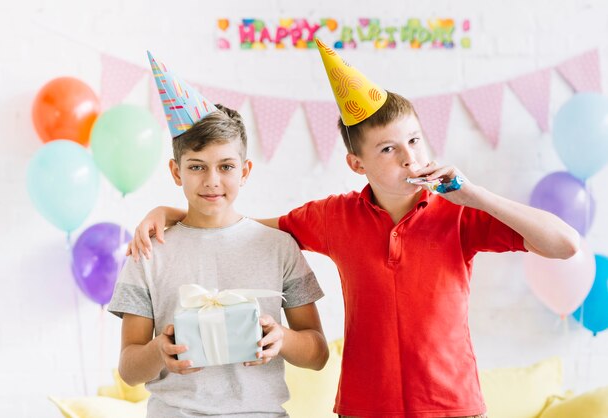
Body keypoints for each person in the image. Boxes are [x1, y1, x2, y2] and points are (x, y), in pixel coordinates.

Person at [127, 43, 580, 417]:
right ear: (356, 164)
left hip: (453, 406)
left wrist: (476, 195)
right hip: (364, 408)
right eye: (388, 148)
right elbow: (243, 227)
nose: (409, 158)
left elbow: (565, 245)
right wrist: (176, 213)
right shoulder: (333, 217)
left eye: (414, 140)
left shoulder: (459, 213)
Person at [108, 52, 328, 418]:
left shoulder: (278, 248)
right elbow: (129, 369)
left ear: (245, 171)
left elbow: (318, 353)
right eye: (196, 167)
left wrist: (283, 339)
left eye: (226, 166)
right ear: (176, 173)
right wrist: (158, 352)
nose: (212, 180)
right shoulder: (149, 251)